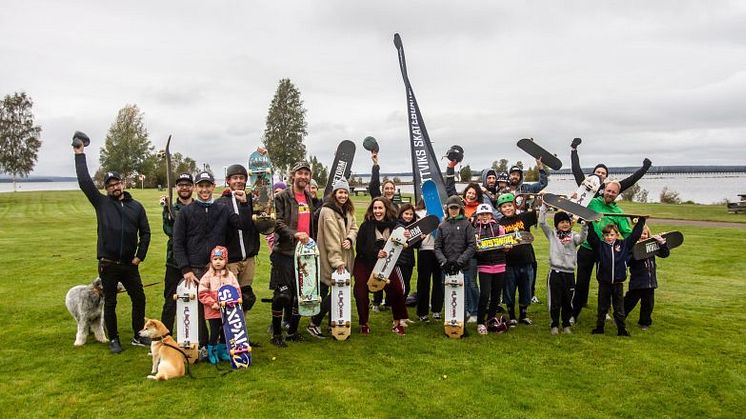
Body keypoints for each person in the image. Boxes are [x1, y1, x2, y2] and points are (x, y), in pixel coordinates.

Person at [73, 144, 151, 353]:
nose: (114, 187)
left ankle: (137, 334)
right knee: (110, 302)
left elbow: (146, 233)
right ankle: (114, 338)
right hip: (108, 264)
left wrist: (139, 256)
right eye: (110, 185)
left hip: (129, 264)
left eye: (117, 183)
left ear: (123, 183)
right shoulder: (102, 203)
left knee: (139, 298)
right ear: (106, 188)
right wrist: (79, 154)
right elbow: (84, 182)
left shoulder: (136, 207)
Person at [173, 171, 245, 359]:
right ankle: (203, 345)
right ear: (196, 188)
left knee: (221, 308)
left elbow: (238, 225)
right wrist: (185, 269)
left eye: (208, 186)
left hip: (217, 269)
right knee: (198, 311)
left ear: (214, 187)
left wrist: (243, 203)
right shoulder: (186, 212)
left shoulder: (222, 208)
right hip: (194, 269)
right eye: (201, 186)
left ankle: (221, 344)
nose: (204, 190)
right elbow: (178, 242)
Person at [269, 161, 316, 347]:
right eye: (300, 173)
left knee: (301, 294)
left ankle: (293, 331)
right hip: (285, 252)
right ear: (293, 175)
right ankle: (276, 333)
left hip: (304, 253)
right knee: (282, 295)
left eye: (306, 173)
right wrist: (294, 233)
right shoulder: (282, 197)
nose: (303, 176)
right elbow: (276, 222)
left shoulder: (308, 197)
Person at [572, 180, 632, 323]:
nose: (610, 194)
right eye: (608, 190)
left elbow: (627, 233)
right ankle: (573, 314)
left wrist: (642, 235)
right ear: (604, 189)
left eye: (613, 192)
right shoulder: (592, 203)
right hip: (586, 249)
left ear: (617, 195)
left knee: (606, 284)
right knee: (581, 284)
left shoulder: (618, 213)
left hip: (606, 253)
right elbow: (574, 209)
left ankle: (604, 311)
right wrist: (574, 198)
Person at [353, 197, 410, 335]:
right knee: (360, 291)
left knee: (396, 289)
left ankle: (397, 323)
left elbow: (402, 241)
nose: (377, 211)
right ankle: (364, 323)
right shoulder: (366, 226)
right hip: (365, 262)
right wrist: (375, 252)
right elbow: (360, 248)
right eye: (375, 208)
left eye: (380, 208)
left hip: (387, 263)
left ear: (386, 209)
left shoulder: (394, 225)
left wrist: (405, 235)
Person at [308, 179, 357, 338]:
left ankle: (333, 322)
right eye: (340, 192)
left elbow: (354, 228)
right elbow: (331, 239)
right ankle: (314, 323)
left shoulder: (347, 210)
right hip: (331, 259)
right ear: (334, 193)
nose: (343, 195)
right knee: (332, 293)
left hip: (345, 256)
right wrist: (337, 262)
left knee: (337, 292)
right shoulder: (328, 211)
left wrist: (350, 238)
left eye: (345, 192)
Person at [586, 216, 646, 336]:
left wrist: (641, 221)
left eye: (612, 235)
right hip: (604, 283)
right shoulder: (600, 246)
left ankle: (621, 329)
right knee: (602, 307)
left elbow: (634, 236)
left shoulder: (624, 245)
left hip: (618, 284)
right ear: (604, 236)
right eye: (607, 235)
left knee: (619, 308)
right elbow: (591, 237)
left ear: (617, 235)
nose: (609, 237)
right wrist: (589, 222)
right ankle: (599, 328)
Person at [216, 163, 260, 315]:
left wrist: (262, 158)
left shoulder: (252, 200)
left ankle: (241, 335)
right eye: (235, 178)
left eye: (242, 178)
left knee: (246, 298)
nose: (239, 181)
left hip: (248, 258)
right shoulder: (221, 202)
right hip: (231, 260)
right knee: (230, 298)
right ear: (228, 180)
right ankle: (227, 334)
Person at [538, 205, 589, 335]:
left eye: (567, 222)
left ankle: (566, 324)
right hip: (555, 273)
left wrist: (585, 226)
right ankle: (554, 324)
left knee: (567, 301)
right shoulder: (552, 234)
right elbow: (542, 222)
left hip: (569, 274)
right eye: (562, 222)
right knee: (555, 301)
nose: (565, 224)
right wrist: (544, 207)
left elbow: (582, 239)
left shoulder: (574, 236)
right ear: (556, 225)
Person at [434, 196, 477, 332]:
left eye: (455, 208)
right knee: (448, 295)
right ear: (447, 209)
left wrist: (459, 262)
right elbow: (437, 247)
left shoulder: (466, 224)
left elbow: (471, 245)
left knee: (461, 297)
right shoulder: (442, 226)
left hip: (462, 267)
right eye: (451, 208)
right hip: (446, 268)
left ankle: (461, 326)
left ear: (460, 209)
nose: (453, 210)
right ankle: (449, 324)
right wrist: (444, 262)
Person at [159, 172, 194, 334]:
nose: (184, 188)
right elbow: (169, 230)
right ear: (176, 188)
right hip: (174, 261)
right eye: (181, 185)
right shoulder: (169, 209)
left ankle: (195, 339)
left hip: (195, 263)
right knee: (170, 301)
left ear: (192, 187)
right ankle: (165, 336)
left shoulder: (199, 207)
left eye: (187, 184)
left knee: (196, 300)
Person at [496, 193, 538, 326]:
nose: (507, 208)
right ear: (500, 209)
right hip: (509, 263)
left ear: (514, 206)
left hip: (526, 260)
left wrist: (537, 197)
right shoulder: (499, 224)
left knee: (526, 289)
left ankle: (523, 314)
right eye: (504, 207)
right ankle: (512, 315)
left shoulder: (523, 217)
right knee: (509, 290)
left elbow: (536, 212)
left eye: (509, 205)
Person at [197, 246, 240, 364]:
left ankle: (222, 351)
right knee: (215, 332)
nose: (218, 261)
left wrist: (234, 302)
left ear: (225, 260)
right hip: (213, 310)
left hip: (227, 309)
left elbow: (236, 290)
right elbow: (202, 293)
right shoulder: (207, 276)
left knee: (225, 331)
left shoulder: (230, 275)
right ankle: (212, 351)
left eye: (221, 259)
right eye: (215, 259)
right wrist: (212, 303)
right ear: (211, 260)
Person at [570, 137, 652, 197]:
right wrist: (574, 150)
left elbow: (631, 180)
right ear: (593, 174)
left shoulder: (610, 188)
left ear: (606, 177)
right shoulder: (585, 184)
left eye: (603, 173)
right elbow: (576, 169)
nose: (600, 174)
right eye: (598, 172)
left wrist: (644, 168)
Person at [624, 225, 669, 330]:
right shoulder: (633, 248)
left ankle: (645, 322)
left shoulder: (651, 247)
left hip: (650, 282)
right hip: (637, 282)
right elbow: (627, 262)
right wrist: (637, 252)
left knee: (648, 304)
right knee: (629, 301)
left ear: (648, 235)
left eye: (644, 234)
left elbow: (665, 254)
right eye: (640, 234)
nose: (642, 236)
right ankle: (620, 317)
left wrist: (662, 243)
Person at [472, 203, 509, 335]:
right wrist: (477, 249)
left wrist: (506, 246)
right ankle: (480, 322)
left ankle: (491, 319)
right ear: (478, 216)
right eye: (481, 214)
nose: (484, 216)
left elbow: (506, 248)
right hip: (484, 266)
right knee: (485, 294)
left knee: (496, 296)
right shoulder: (474, 230)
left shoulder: (499, 228)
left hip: (500, 265)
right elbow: (473, 251)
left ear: (491, 215)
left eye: (487, 214)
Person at [415, 200, 444, 323]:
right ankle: (422, 312)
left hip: (439, 251)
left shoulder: (442, 213)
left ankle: (437, 310)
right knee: (423, 282)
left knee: (438, 281)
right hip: (425, 250)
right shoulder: (418, 214)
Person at [394, 203, 418, 299]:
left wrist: (420, 238)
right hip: (399, 262)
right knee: (403, 287)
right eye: (406, 214)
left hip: (409, 261)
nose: (408, 216)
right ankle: (398, 309)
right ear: (401, 214)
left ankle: (400, 307)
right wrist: (403, 235)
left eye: (411, 214)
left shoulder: (413, 227)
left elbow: (415, 246)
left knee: (406, 285)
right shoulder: (398, 226)